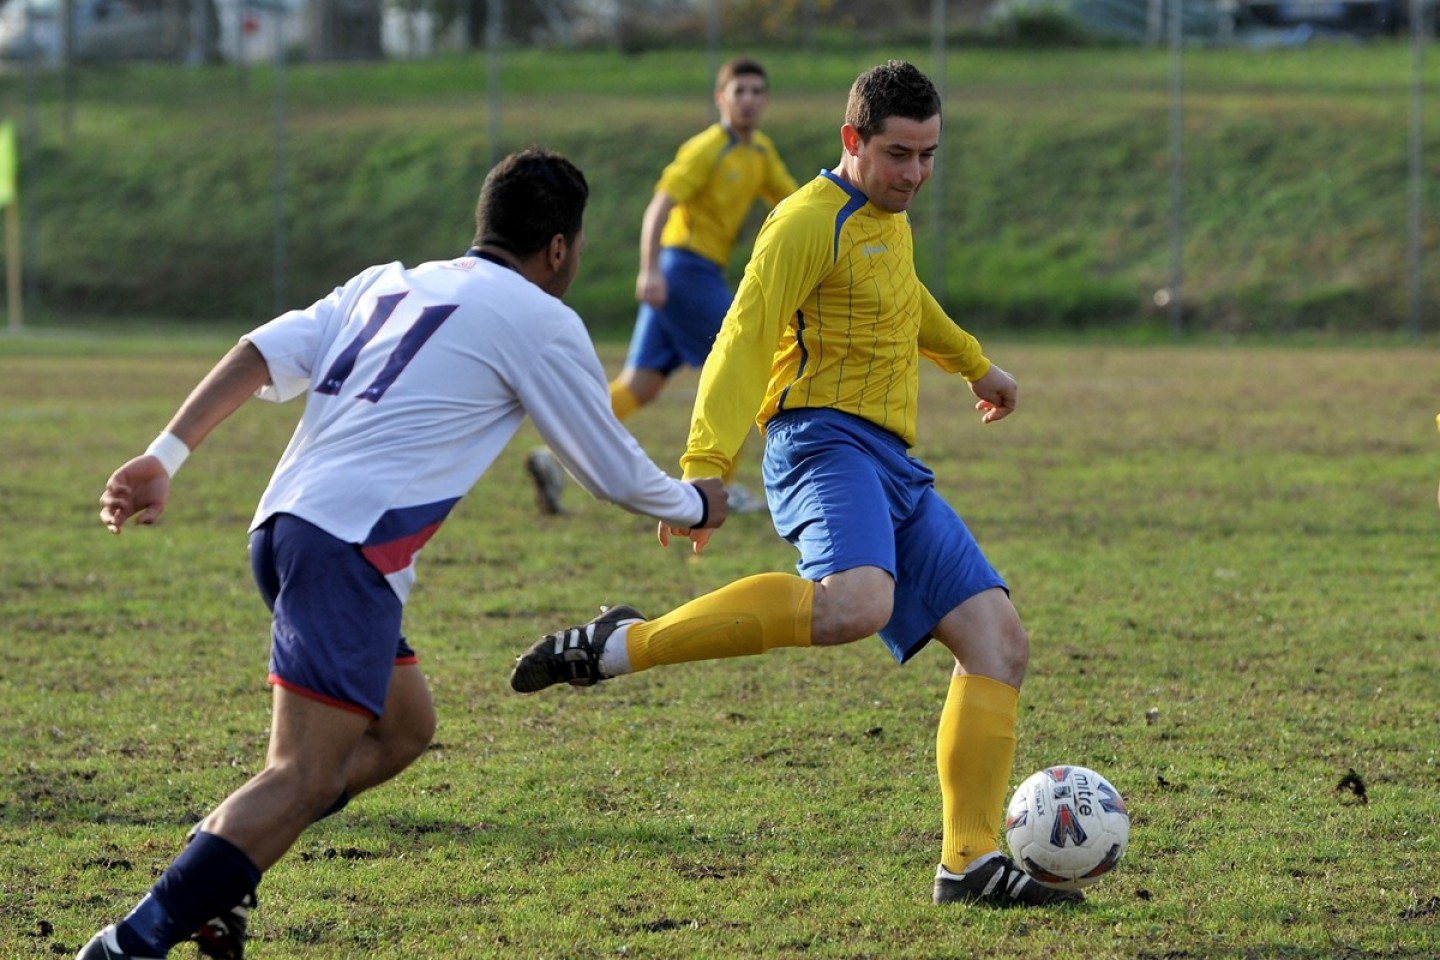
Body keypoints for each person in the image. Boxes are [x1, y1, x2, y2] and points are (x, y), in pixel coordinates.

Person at [81, 148, 728, 960]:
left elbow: (258, 352)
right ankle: (130, 942)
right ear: (559, 249)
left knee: (405, 728)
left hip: (285, 529)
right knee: (302, 776)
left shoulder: (384, 282)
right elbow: (608, 469)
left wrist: (165, 454)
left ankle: (222, 864)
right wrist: (696, 501)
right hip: (344, 548)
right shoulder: (538, 317)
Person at [510, 61, 1079, 909]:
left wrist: (976, 364)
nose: (915, 174)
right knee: (855, 604)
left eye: (929, 155)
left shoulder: (887, 219)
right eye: (898, 155)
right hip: (818, 440)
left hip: (893, 463)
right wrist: (707, 466)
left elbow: (903, 299)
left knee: (1000, 643)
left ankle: (969, 861)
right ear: (852, 141)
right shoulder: (803, 222)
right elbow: (743, 338)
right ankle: (623, 644)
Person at [525, 56, 798, 517]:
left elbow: (794, 204)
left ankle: (550, 459)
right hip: (682, 271)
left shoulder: (761, 153)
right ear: (721, 98)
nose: (749, 100)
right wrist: (649, 269)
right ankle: (716, 489)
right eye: (740, 91)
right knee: (746, 362)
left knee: (641, 385)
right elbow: (660, 206)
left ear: (766, 99)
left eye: (757, 91)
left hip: (693, 274)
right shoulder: (708, 147)